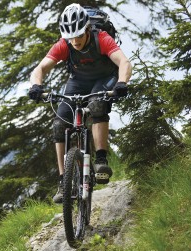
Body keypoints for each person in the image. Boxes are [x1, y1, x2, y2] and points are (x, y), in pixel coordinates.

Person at [28, 3, 132, 203]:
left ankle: (101, 160)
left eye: (78, 35)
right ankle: (62, 181)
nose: (74, 41)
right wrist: (36, 86)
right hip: (78, 81)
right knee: (59, 125)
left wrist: (121, 83)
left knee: (96, 104)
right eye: (70, 37)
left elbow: (124, 62)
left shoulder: (101, 38)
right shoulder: (64, 44)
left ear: (86, 29)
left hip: (104, 78)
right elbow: (40, 68)